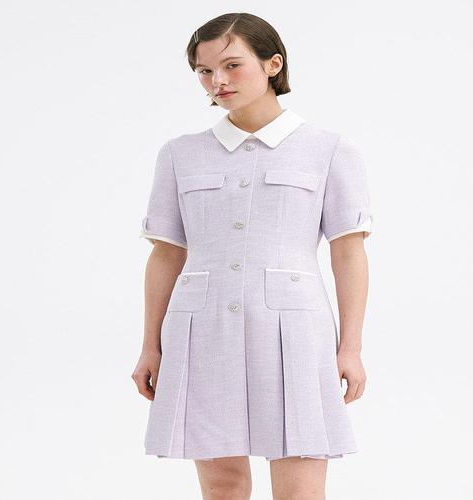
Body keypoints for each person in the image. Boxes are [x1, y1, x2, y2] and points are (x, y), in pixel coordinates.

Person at [131, 12, 373, 500]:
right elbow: (165, 255)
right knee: (221, 482)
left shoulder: (328, 149)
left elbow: (348, 252)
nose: (216, 81)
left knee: (300, 482)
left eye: (231, 65)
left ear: (272, 64)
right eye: (203, 71)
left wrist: (350, 347)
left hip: (294, 331)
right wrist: (150, 345)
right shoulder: (179, 154)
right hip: (201, 329)